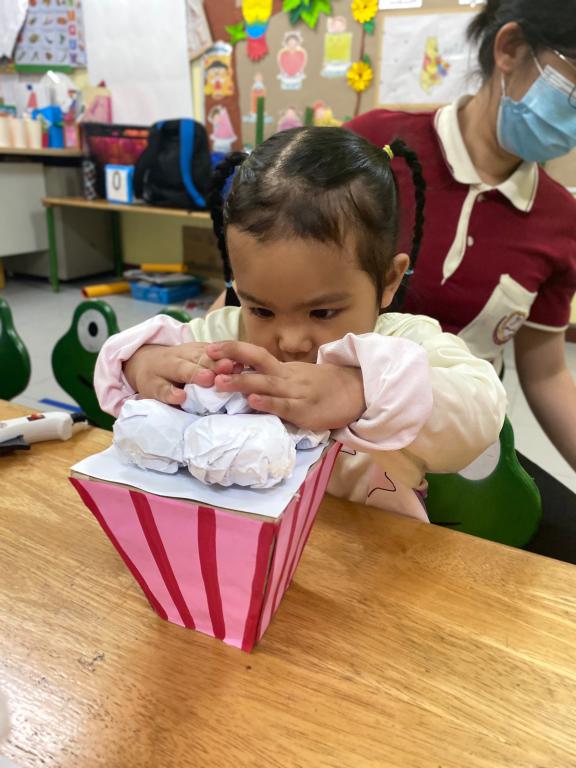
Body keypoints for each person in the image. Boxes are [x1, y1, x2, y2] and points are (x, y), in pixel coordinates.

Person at [94, 127, 505, 519]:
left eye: (322, 313)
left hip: (372, 554)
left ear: (388, 281)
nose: (290, 341)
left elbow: (481, 412)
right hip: (243, 546)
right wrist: (141, 366)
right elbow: (139, 363)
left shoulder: (405, 343)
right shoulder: (229, 337)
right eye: (261, 310)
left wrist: (360, 388)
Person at [345, 0, 576, 555]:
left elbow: (545, 372)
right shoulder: (375, 149)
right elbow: (265, 288)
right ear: (510, 49)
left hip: (462, 447)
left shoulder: (560, 220)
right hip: (341, 433)